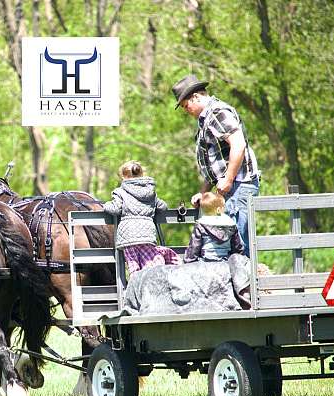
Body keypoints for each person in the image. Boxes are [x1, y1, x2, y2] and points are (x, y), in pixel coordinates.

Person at [172, 74, 261, 256]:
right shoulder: (205, 119)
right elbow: (213, 164)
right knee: (229, 246)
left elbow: (238, 144)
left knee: (239, 246)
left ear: (196, 97)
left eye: (186, 105)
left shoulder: (217, 112)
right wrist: (204, 193)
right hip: (231, 188)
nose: (185, 110)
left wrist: (228, 180)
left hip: (239, 185)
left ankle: (246, 284)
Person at [103, 161, 180, 274]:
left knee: (134, 267)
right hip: (147, 235)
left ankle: (135, 288)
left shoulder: (120, 192)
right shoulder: (150, 192)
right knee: (150, 266)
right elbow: (163, 207)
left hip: (128, 236)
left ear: (124, 177)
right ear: (141, 174)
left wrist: (105, 205)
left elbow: (115, 209)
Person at [184, 191, 244, 263]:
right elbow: (237, 246)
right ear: (219, 210)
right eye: (223, 207)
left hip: (206, 262)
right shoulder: (231, 224)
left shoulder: (201, 224)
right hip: (225, 261)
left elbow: (195, 246)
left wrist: (189, 260)